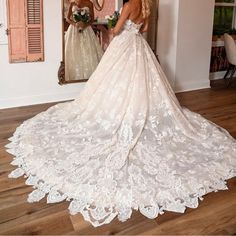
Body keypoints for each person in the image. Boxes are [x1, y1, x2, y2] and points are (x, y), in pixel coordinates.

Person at [6, 0, 236, 227]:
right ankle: (136, 109)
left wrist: (115, 25)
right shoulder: (146, 6)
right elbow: (144, 29)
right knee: (139, 82)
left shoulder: (127, 6)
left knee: (114, 83)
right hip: (138, 45)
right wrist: (128, 26)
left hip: (124, 44)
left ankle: (121, 111)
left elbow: (116, 31)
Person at [64, 0, 103, 81]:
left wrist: (84, 25)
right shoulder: (72, 3)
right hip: (74, 30)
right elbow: (67, 18)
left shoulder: (89, 3)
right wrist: (76, 24)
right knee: (74, 50)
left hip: (86, 30)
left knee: (88, 51)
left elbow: (92, 19)